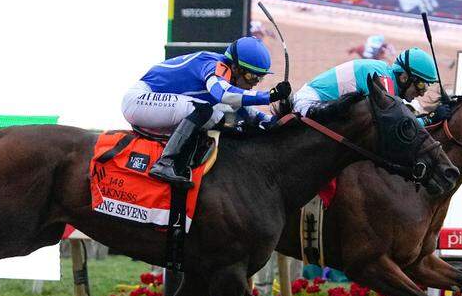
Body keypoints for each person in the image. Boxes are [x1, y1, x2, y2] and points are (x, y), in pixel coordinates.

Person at [120, 36, 289, 185]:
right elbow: (223, 94)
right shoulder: (213, 65)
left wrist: (275, 122)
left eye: (260, 78)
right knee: (204, 110)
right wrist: (269, 96)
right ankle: (165, 164)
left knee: (221, 117)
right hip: (138, 100)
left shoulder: (228, 74)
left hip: (156, 104)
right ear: (236, 68)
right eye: (252, 77)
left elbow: (246, 110)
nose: (255, 83)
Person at [291, 47, 439, 116]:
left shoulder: (386, 75)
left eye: (426, 87)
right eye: (421, 85)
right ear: (404, 77)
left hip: (322, 104)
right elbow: (394, 120)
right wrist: (429, 120)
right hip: (308, 104)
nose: (422, 93)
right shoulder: (382, 78)